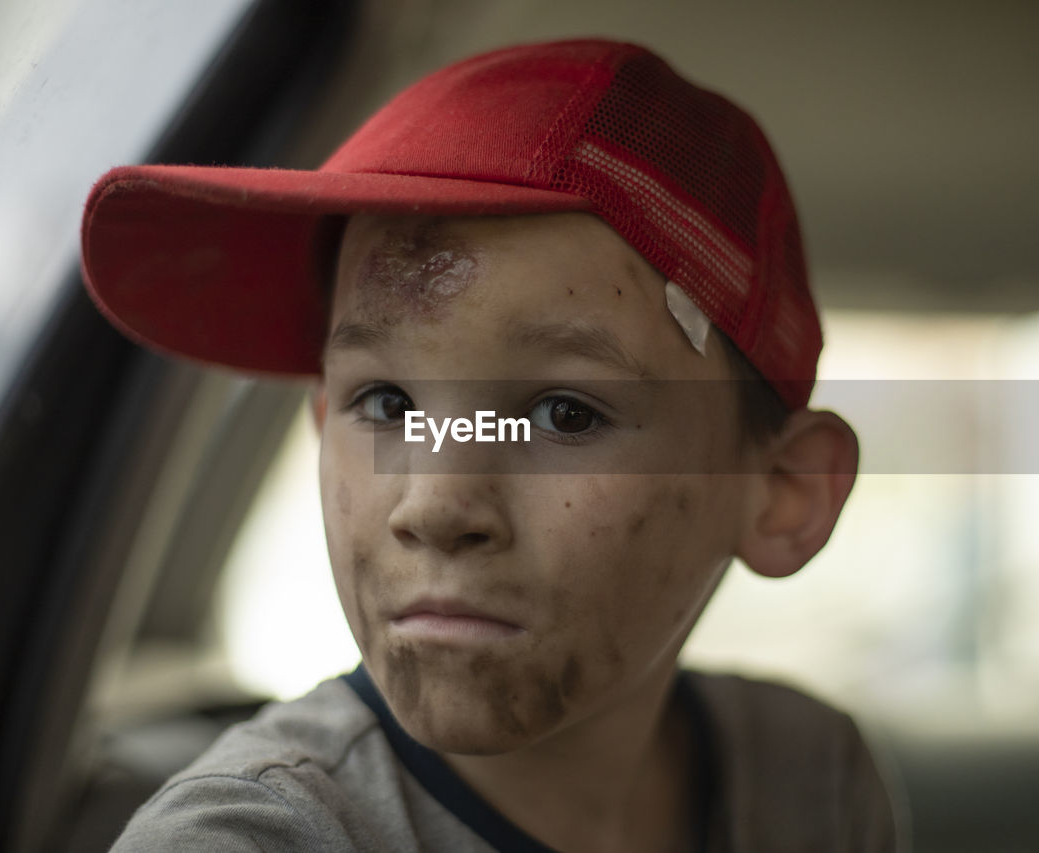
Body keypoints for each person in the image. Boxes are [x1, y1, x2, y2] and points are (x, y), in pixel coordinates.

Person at [83, 38, 902, 852]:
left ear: (783, 491)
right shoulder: (252, 838)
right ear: (324, 422)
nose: (435, 504)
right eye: (388, 402)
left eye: (565, 415)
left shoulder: (811, 780)